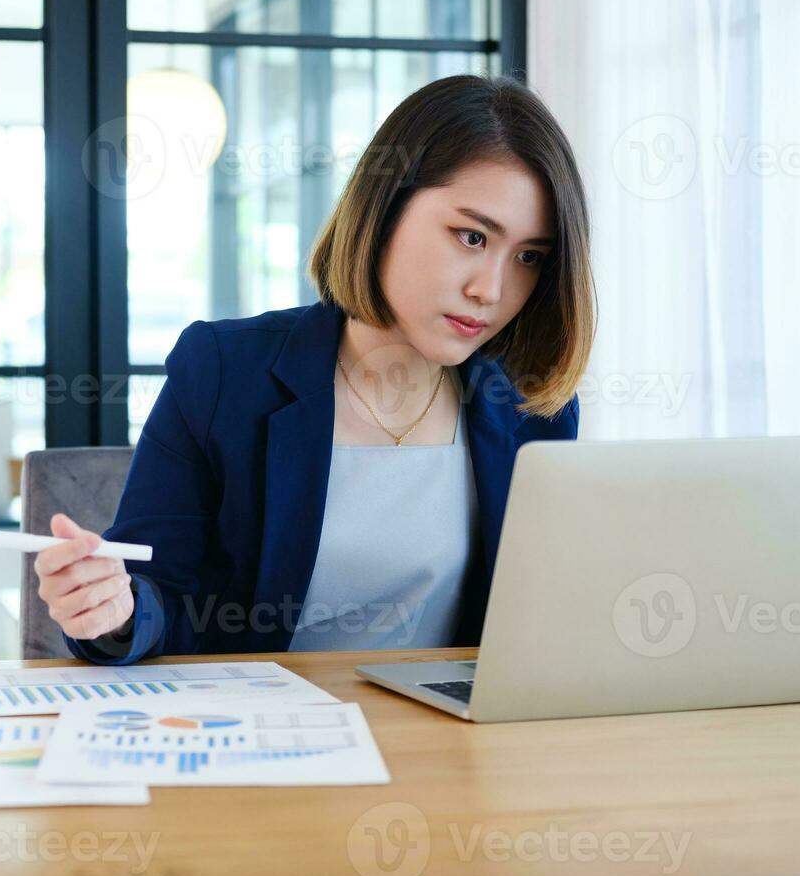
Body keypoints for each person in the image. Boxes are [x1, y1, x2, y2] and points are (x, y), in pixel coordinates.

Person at [35, 74, 596, 665]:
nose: (492, 290)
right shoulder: (225, 371)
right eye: (471, 236)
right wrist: (114, 612)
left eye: (530, 257)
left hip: (450, 745)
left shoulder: (534, 406)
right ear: (384, 208)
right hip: (261, 735)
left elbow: (540, 625)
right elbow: (158, 596)